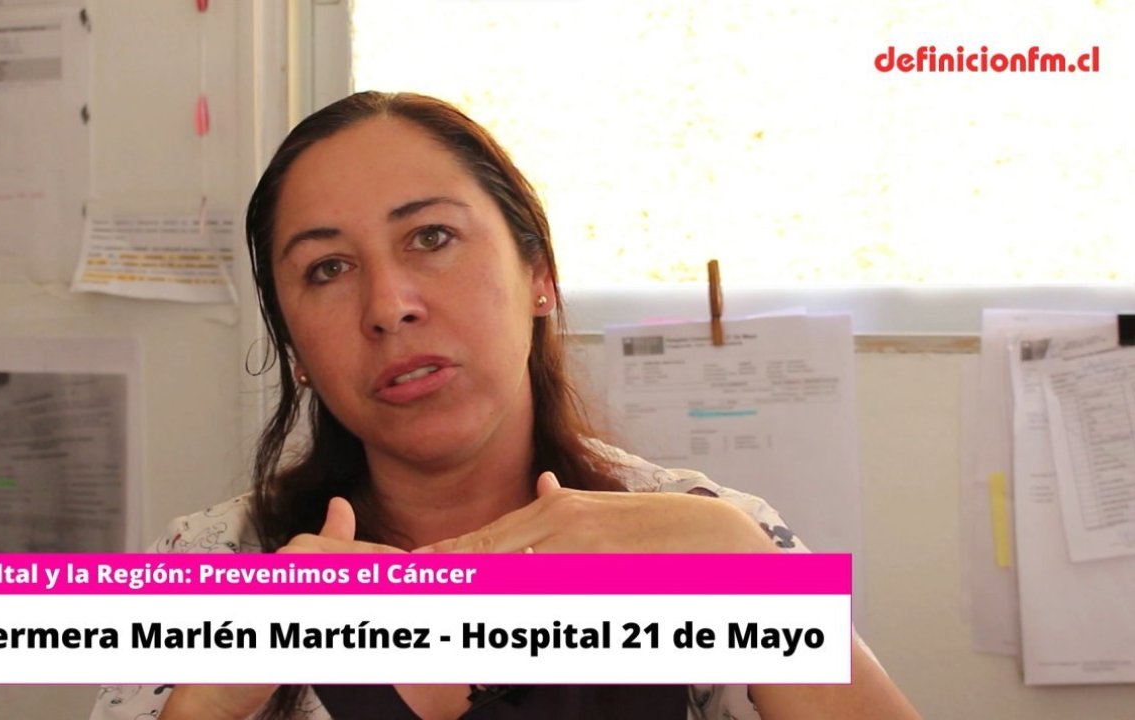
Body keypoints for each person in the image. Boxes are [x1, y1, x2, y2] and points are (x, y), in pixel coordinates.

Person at [91, 91, 919, 720]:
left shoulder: (707, 534)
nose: (389, 306)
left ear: (539, 276)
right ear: (295, 351)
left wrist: (744, 568)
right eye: (327, 269)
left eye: (432, 238)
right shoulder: (209, 564)